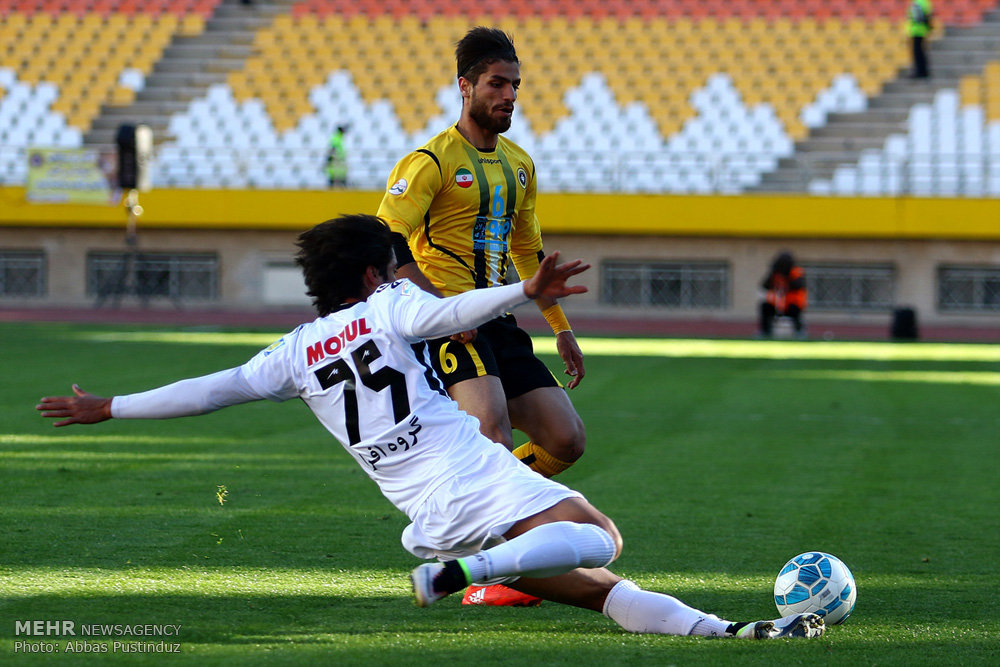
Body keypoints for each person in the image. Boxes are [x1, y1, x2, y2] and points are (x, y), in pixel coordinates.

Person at [36, 214, 824, 642]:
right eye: (399, 264)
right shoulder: (389, 307)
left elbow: (206, 390)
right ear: (378, 274)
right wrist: (523, 288)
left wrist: (110, 406)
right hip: (473, 481)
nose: (408, 274)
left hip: (425, 515)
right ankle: (474, 568)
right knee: (601, 537)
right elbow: (448, 311)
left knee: (600, 588)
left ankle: (731, 632)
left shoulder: (292, 353)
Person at [376, 28, 585, 605]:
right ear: (464, 86)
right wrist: (438, 309)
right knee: (490, 429)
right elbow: (385, 238)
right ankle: (484, 573)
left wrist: (561, 330)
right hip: (447, 323)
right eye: (497, 83)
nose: (510, 95)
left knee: (565, 440)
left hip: (500, 322)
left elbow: (528, 255)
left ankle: (461, 508)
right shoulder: (430, 161)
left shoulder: (520, 165)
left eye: (515, 85)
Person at [758, 251, 807, 339]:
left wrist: (787, 280)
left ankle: (799, 332)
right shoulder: (775, 274)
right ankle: (765, 332)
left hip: (791, 304)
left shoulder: (796, 272)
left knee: (795, 311)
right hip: (776, 304)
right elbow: (764, 285)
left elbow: (799, 285)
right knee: (765, 307)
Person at [908, 0, 933, 79]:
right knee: (921, 52)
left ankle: (920, 72)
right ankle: (923, 71)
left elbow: (918, 17)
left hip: (917, 30)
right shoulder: (925, 2)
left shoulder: (918, 2)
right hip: (921, 30)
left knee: (918, 53)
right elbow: (928, 16)